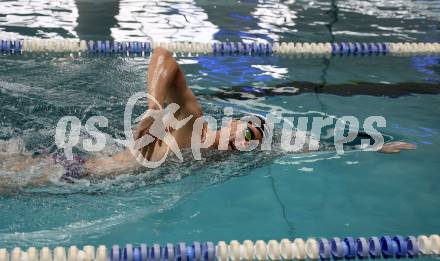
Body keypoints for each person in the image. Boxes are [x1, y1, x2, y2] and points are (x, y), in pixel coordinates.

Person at [0, 47, 415, 187]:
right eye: (243, 128)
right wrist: (154, 106)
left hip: (69, 174)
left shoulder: (216, 155)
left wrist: (376, 147)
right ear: (230, 122)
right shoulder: (194, 128)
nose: (241, 138)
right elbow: (164, 56)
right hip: (59, 172)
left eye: (249, 140)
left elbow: (308, 147)